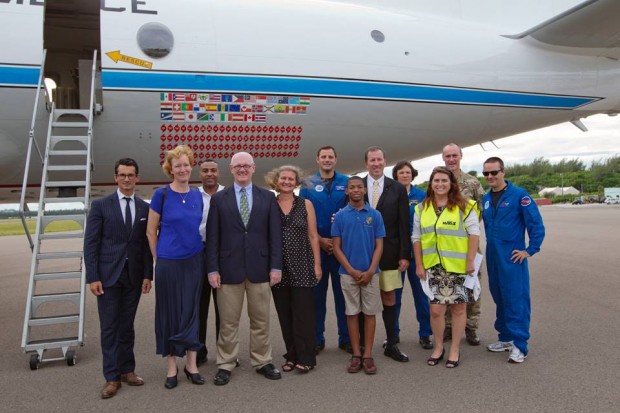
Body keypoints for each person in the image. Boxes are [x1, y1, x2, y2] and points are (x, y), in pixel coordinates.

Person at [206, 152, 283, 386]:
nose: (242, 169)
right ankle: (226, 363)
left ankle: (262, 361)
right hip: (228, 270)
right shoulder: (219, 199)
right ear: (230, 169)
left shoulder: (268, 197)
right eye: (237, 166)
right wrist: (212, 269)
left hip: (260, 268)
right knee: (228, 322)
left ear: (253, 168)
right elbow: (213, 238)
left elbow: (275, 236)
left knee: (260, 319)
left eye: (246, 166)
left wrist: (275, 267)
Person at [84, 158, 153, 399]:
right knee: (110, 327)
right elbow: (91, 244)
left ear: (137, 178)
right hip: (108, 277)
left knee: (127, 326)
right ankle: (111, 377)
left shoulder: (145, 208)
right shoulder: (101, 205)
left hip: (133, 277)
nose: (126, 179)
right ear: (115, 177)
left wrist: (147, 274)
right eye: (122, 175)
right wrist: (93, 276)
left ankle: (128, 370)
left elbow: (145, 246)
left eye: (130, 175)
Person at [146, 145, 205, 389]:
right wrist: (158, 258)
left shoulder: (197, 195)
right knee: (170, 313)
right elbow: (151, 231)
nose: (182, 168)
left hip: (194, 260)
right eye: (177, 165)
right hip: (168, 262)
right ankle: (172, 367)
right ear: (170, 169)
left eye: (186, 164)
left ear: (191, 166)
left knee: (191, 312)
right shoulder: (161, 195)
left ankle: (191, 365)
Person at [412, 166, 480, 368]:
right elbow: (416, 238)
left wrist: (470, 261)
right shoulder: (421, 208)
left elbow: (474, 234)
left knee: (459, 309)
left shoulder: (466, 206)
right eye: (436, 181)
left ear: (452, 184)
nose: (440, 184)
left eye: (444, 180)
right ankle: (439, 346)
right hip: (434, 267)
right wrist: (419, 264)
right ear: (430, 184)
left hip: (459, 267)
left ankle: (455, 349)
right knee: (436, 310)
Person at [481, 157, 545, 363]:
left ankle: (520, 344)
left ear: (503, 172)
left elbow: (535, 224)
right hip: (493, 255)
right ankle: (506, 337)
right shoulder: (486, 198)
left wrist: (530, 250)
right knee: (499, 296)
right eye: (486, 174)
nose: (490, 177)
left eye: (494, 172)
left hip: (512, 257)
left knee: (516, 299)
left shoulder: (519, 196)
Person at [266, 165, 322, 373]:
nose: (287, 181)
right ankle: (291, 355)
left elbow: (313, 236)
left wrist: (317, 264)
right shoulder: (269, 204)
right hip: (277, 268)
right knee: (285, 314)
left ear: (297, 182)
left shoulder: (305, 204)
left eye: (291, 179)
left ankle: (306, 357)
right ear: (276, 180)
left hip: (303, 265)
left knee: (303, 314)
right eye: (283, 178)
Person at [299, 146, 351, 354]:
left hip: (341, 248)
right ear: (317, 159)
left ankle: (346, 338)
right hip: (317, 248)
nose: (327, 160)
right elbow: (302, 215)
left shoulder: (347, 182)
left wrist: (337, 241)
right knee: (316, 297)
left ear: (336, 160)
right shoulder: (307, 183)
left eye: (331, 157)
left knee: (343, 296)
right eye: (324, 157)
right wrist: (319, 240)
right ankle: (317, 338)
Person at [362, 147, 411, 363]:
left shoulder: (398, 188)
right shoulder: (356, 186)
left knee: (389, 297)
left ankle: (391, 343)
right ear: (366, 163)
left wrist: (404, 255)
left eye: (379, 159)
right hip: (362, 254)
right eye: (372, 160)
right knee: (365, 299)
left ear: (385, 161)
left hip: (390, 254)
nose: (375, 163)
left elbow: (403, 224)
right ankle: (363, 346)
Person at [332, 176, 384, 375]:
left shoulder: (375, 214)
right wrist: (351, 270)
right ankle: (355, 354)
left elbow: (380, 245)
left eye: (359, 187)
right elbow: (336, 247)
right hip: (348, 274)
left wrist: (371, 269)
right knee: (352, 314)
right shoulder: (340, 216)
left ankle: (368, 354)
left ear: (364, 190)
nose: (355, 190)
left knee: (369, 314)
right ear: (346, 191)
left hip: (371, 273)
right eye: (351, 187)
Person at [442, 143, 485, 345]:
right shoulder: (439, 181)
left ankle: (471, 327)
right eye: (448, 156)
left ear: (461, 156)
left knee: (472, 286)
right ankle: (449, 327)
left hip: (469, 244)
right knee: (448, 286)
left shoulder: (473, 183)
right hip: (447, 246)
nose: (451, 159)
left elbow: (481, 212)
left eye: (454, 155)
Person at [391, 161, 432, 350]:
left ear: (412, 175)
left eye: (408, 172)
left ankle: (425, 333)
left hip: (418, 254)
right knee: (394, 297)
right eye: (401, 172)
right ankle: (393, 333)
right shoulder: (390, 194)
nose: (405, 175)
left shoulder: (423, 196)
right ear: (396, 175)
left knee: (422, 296)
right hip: (396, 254)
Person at [197, 159, 224, 366]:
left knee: (224, 308)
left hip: (224, 255)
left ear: (219, 173)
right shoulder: (192, 195)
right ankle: (198, 351)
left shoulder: (228, 194)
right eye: (205, 170)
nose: (209, 174)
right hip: (199, 253)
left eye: (213, 170)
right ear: (200, 173)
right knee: (199, 306)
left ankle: (225, 352)